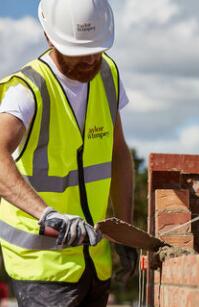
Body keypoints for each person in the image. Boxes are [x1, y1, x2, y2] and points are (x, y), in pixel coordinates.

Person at [0, 0, 137, 305]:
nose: (90, 59)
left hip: (94, 261)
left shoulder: (108, 75)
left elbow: (117, 153)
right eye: (79, 51)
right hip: (42, 268)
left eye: (97, 49)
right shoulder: (28, 89)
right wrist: (47, 215)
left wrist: (125, 229)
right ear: (49, 37)